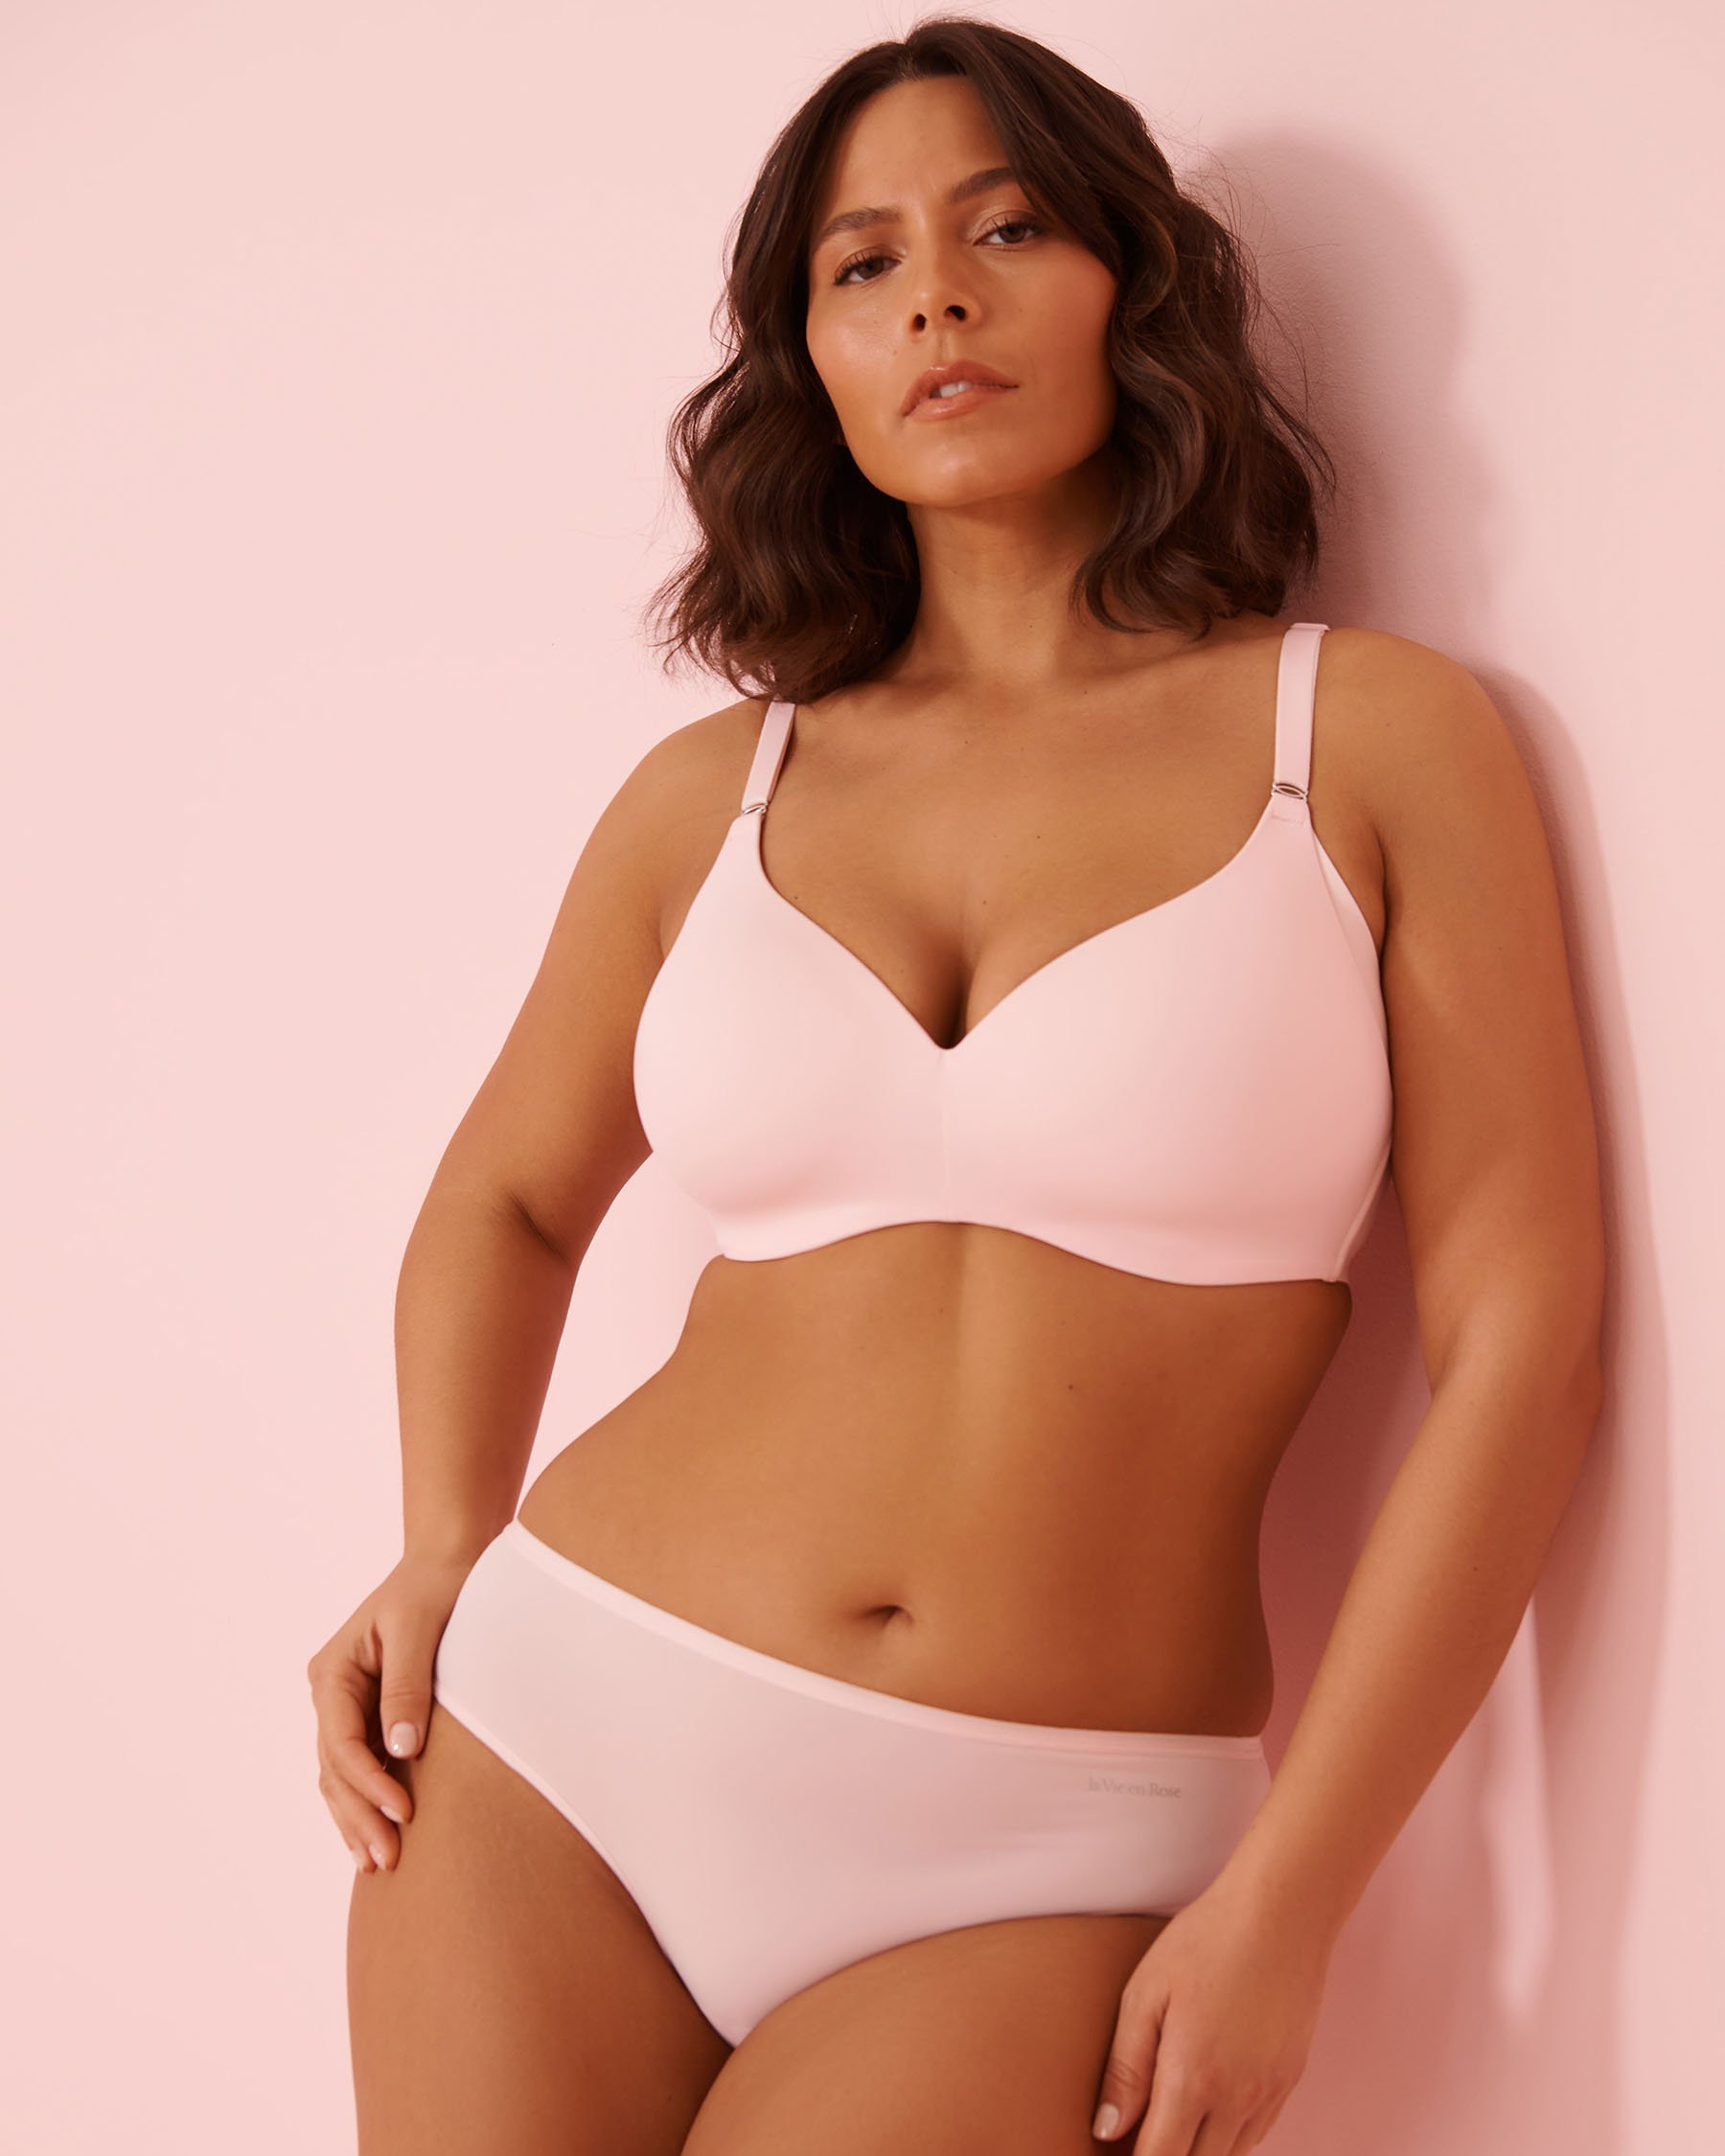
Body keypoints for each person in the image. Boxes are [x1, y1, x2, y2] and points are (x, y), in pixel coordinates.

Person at [311, 18, 1606, 2155]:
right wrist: (442, 1537)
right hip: (561, 1745)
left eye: (1005, 230)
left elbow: (1523, 1339)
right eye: (865, 262)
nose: (937, 297)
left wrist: (1291, 1901)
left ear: (1131, 286)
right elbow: (507, 1200)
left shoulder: (1370, 740)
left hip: (1050, 1845)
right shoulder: (712, 794)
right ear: (810, 357)